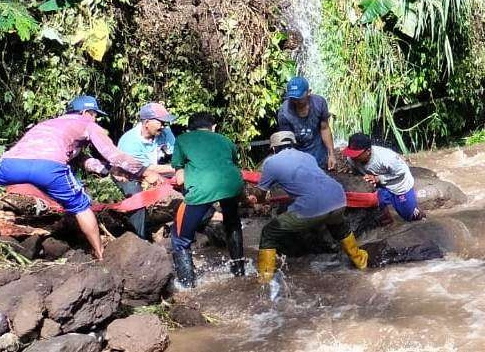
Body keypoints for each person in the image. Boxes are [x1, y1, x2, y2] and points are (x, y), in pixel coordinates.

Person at [0, 96, 158, 260]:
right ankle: (100, 253)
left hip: (12, 163)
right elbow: (113, 154)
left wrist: (110, 171)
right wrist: (143, 171)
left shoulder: (48, 124)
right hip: (50, 168)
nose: (96, 119)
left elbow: (85, 161)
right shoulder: (87, 124)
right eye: (94, 114)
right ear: (86, 112)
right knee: (81, 206)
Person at [254, 130, 368, 288]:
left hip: (312, 208)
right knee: (338, 225)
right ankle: (361, 262)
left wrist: (259, 202)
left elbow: (260, 192)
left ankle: (264, 280)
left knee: (269, 232)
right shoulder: (307, 156)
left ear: (273, 149)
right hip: (339, 198)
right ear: (293, 145)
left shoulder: (271, 163)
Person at [169, 111, 246, 288]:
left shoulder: (182, 140)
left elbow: (180, 178)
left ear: (190, 129)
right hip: (232, 185)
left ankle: (187, 287)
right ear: (213, 127)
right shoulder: (225, 140)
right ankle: (239, 271)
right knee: (232, 223)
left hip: (202, 190)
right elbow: (231, 164)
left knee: (180, 238)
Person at [115, 102, 177, 239]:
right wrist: (178, 168)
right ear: (147, 122)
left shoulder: (165, 132)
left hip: (158, 171)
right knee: (136, 197)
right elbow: (146, 170)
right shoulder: (130, 141)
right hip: (130, 174)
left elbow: (177, 154)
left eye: (165, 122)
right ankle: (139, 237)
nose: (164, 125)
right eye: (160, 122)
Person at [341, 133, 423, 223]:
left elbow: (401, 172)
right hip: (381, 186)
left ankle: (419, 215)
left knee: (409, 216)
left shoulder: (387, 158)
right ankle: (388, 216)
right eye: (351, 153)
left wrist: (378, 178)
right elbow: (357, 173)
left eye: (356, 154)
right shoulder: (351, 159)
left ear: (368, 151)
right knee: (380, 202)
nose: (352, 157)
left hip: (399, 186)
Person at [277, 77, 335, 170]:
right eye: (293, 98)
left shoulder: (319, 103)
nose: (296, 101)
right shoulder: (284, 111)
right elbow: (286, 141)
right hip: (296, 152)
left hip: (318, 151)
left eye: (299, 98)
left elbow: (324, 129)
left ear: (309, 92)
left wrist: (331, 154)